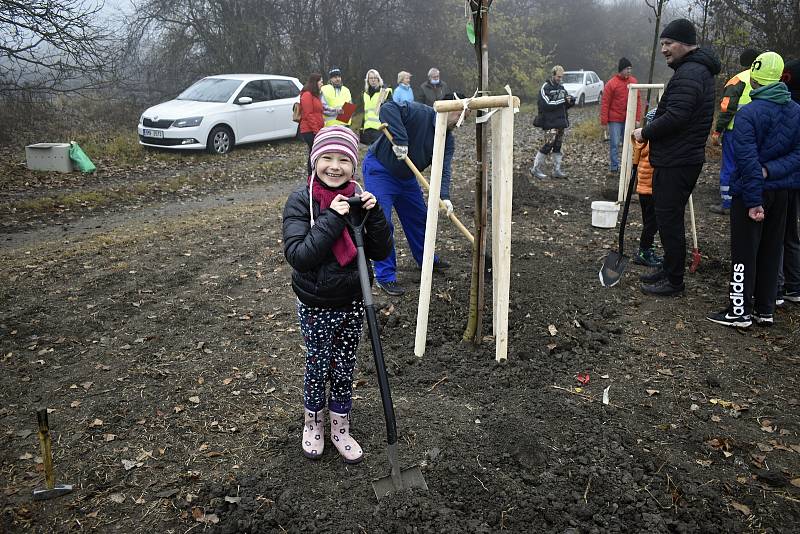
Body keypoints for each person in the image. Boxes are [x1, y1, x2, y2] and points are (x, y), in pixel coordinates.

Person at [282, 126, 392, 462]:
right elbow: (300, 255)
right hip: (316, 303)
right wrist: (333, 216)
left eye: (343, 159)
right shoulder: (302, 201)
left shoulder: (360, 200)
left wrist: (373, 217)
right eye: (327, 158)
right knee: (317, 365)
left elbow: (381, 250)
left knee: (344, 366)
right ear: (314, 161)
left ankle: (340, 427)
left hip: (353, 301)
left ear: (353, 164)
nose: (334, 166)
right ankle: (313, 423)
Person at [707, 52, 800, 327]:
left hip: (750, 192)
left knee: (744, 252)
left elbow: (747, 161)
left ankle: (739, 311)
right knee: (772, 249)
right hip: (781, 192)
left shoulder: (748, 113)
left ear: (754, 78)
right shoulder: (796, 111)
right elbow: (797, 155)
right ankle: (765, 309)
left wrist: (753, 199)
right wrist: (772, 171)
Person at [633, 18, 721, 296]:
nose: (664, 49)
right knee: (667, 217)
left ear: (685, 43)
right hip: (677, 157)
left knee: (670, 220)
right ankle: (669, 269)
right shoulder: (691, 70)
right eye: (662, 44)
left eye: (668, 43)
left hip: (679, 159)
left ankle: (674, 281)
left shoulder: (692, 72)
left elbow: (677, 115)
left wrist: (645, 131)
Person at [362, 96, 467, 296]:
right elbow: (388, 108)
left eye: (466, 115)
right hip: (380, 170)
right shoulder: (419, 113)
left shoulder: (447, 139)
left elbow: (443, 170)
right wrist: (400, 140)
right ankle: (385, 276)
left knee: (419, 218)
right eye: (461, 114)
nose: (462, 120)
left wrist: (444, 196)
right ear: (449, 109)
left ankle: (426, 259)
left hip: (407, 177)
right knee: (382, 222)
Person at [709, 48, 761, 215]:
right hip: (758, 132)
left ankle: (727, 203)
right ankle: (749, 201)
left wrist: (717, 131)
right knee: (752, 165)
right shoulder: (767, 79)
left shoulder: (738, 79)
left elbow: (727, 108)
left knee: (730, 166)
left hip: (734, 131)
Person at [777, 59, 800, 306]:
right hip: (791, 177)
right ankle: (793, 285)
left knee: (778, 234)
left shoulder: (789, 107)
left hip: (784, 179)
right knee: (790, 233)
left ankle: (779, 285)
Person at [530, 65, 575, 179]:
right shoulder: (545, 87)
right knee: (547, 145)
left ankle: (557, 170)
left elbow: (564, 104)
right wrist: (563, 100)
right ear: (553, 75)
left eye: (561, 77)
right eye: (558, 76)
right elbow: (547, 104)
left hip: (561, 122)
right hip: (549, 122)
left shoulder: (561, 87)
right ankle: (535, 169)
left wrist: (570, 101)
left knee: (558, 146)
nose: (560, 79)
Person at [632, 107, 663, 268]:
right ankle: (644, 252)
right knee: (652, 224)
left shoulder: (644, 141)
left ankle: (647, 249)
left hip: (644, 189)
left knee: (649, 222)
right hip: (651, 189)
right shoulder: (653, 143)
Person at [600, 58, 642, 175]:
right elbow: (605, 103)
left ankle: (627, 166)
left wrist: (637, 118)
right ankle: (614, 167)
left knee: (628, 144)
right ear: (621, 70)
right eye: (627, 68)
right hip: (615, 120)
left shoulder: (633, 82)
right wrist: (604, 122)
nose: (629, 71)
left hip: (629, 119)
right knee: (614, 143)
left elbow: (638, 101)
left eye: (630, 69)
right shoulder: (611, 84)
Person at [298, 73, 324, 176]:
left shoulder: (314, 95)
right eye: (321, 81)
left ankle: (314, 174)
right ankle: (311, 175)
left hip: (315, 129)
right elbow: (309, 114)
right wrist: (316, 131)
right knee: (314, 152)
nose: (322, 83)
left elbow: (318, 111)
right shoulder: (307, 95)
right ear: (315, 82)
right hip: (309, 130)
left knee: (314, 152)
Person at [359, 69, 392, 145]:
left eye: (375, 78)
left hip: (380, 129)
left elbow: (390, 111)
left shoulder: (384, 92)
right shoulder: (365, 94)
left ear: (378, 79)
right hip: (367, 130)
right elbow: (365, 113)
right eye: (371, 78)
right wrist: (361, 128)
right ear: (367, 80)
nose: (373, 80)